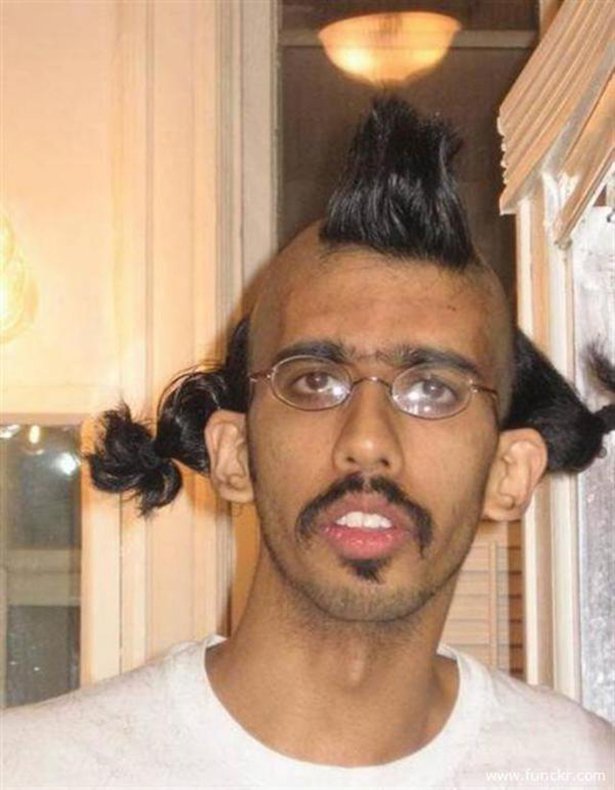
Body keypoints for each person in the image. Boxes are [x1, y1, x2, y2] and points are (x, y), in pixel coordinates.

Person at [3, 97, 614, 789]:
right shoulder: (32, 769)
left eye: (433, 389)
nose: (367, 441)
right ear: (235, 455)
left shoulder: (584, 770)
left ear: (509, 472)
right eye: (316, 381)